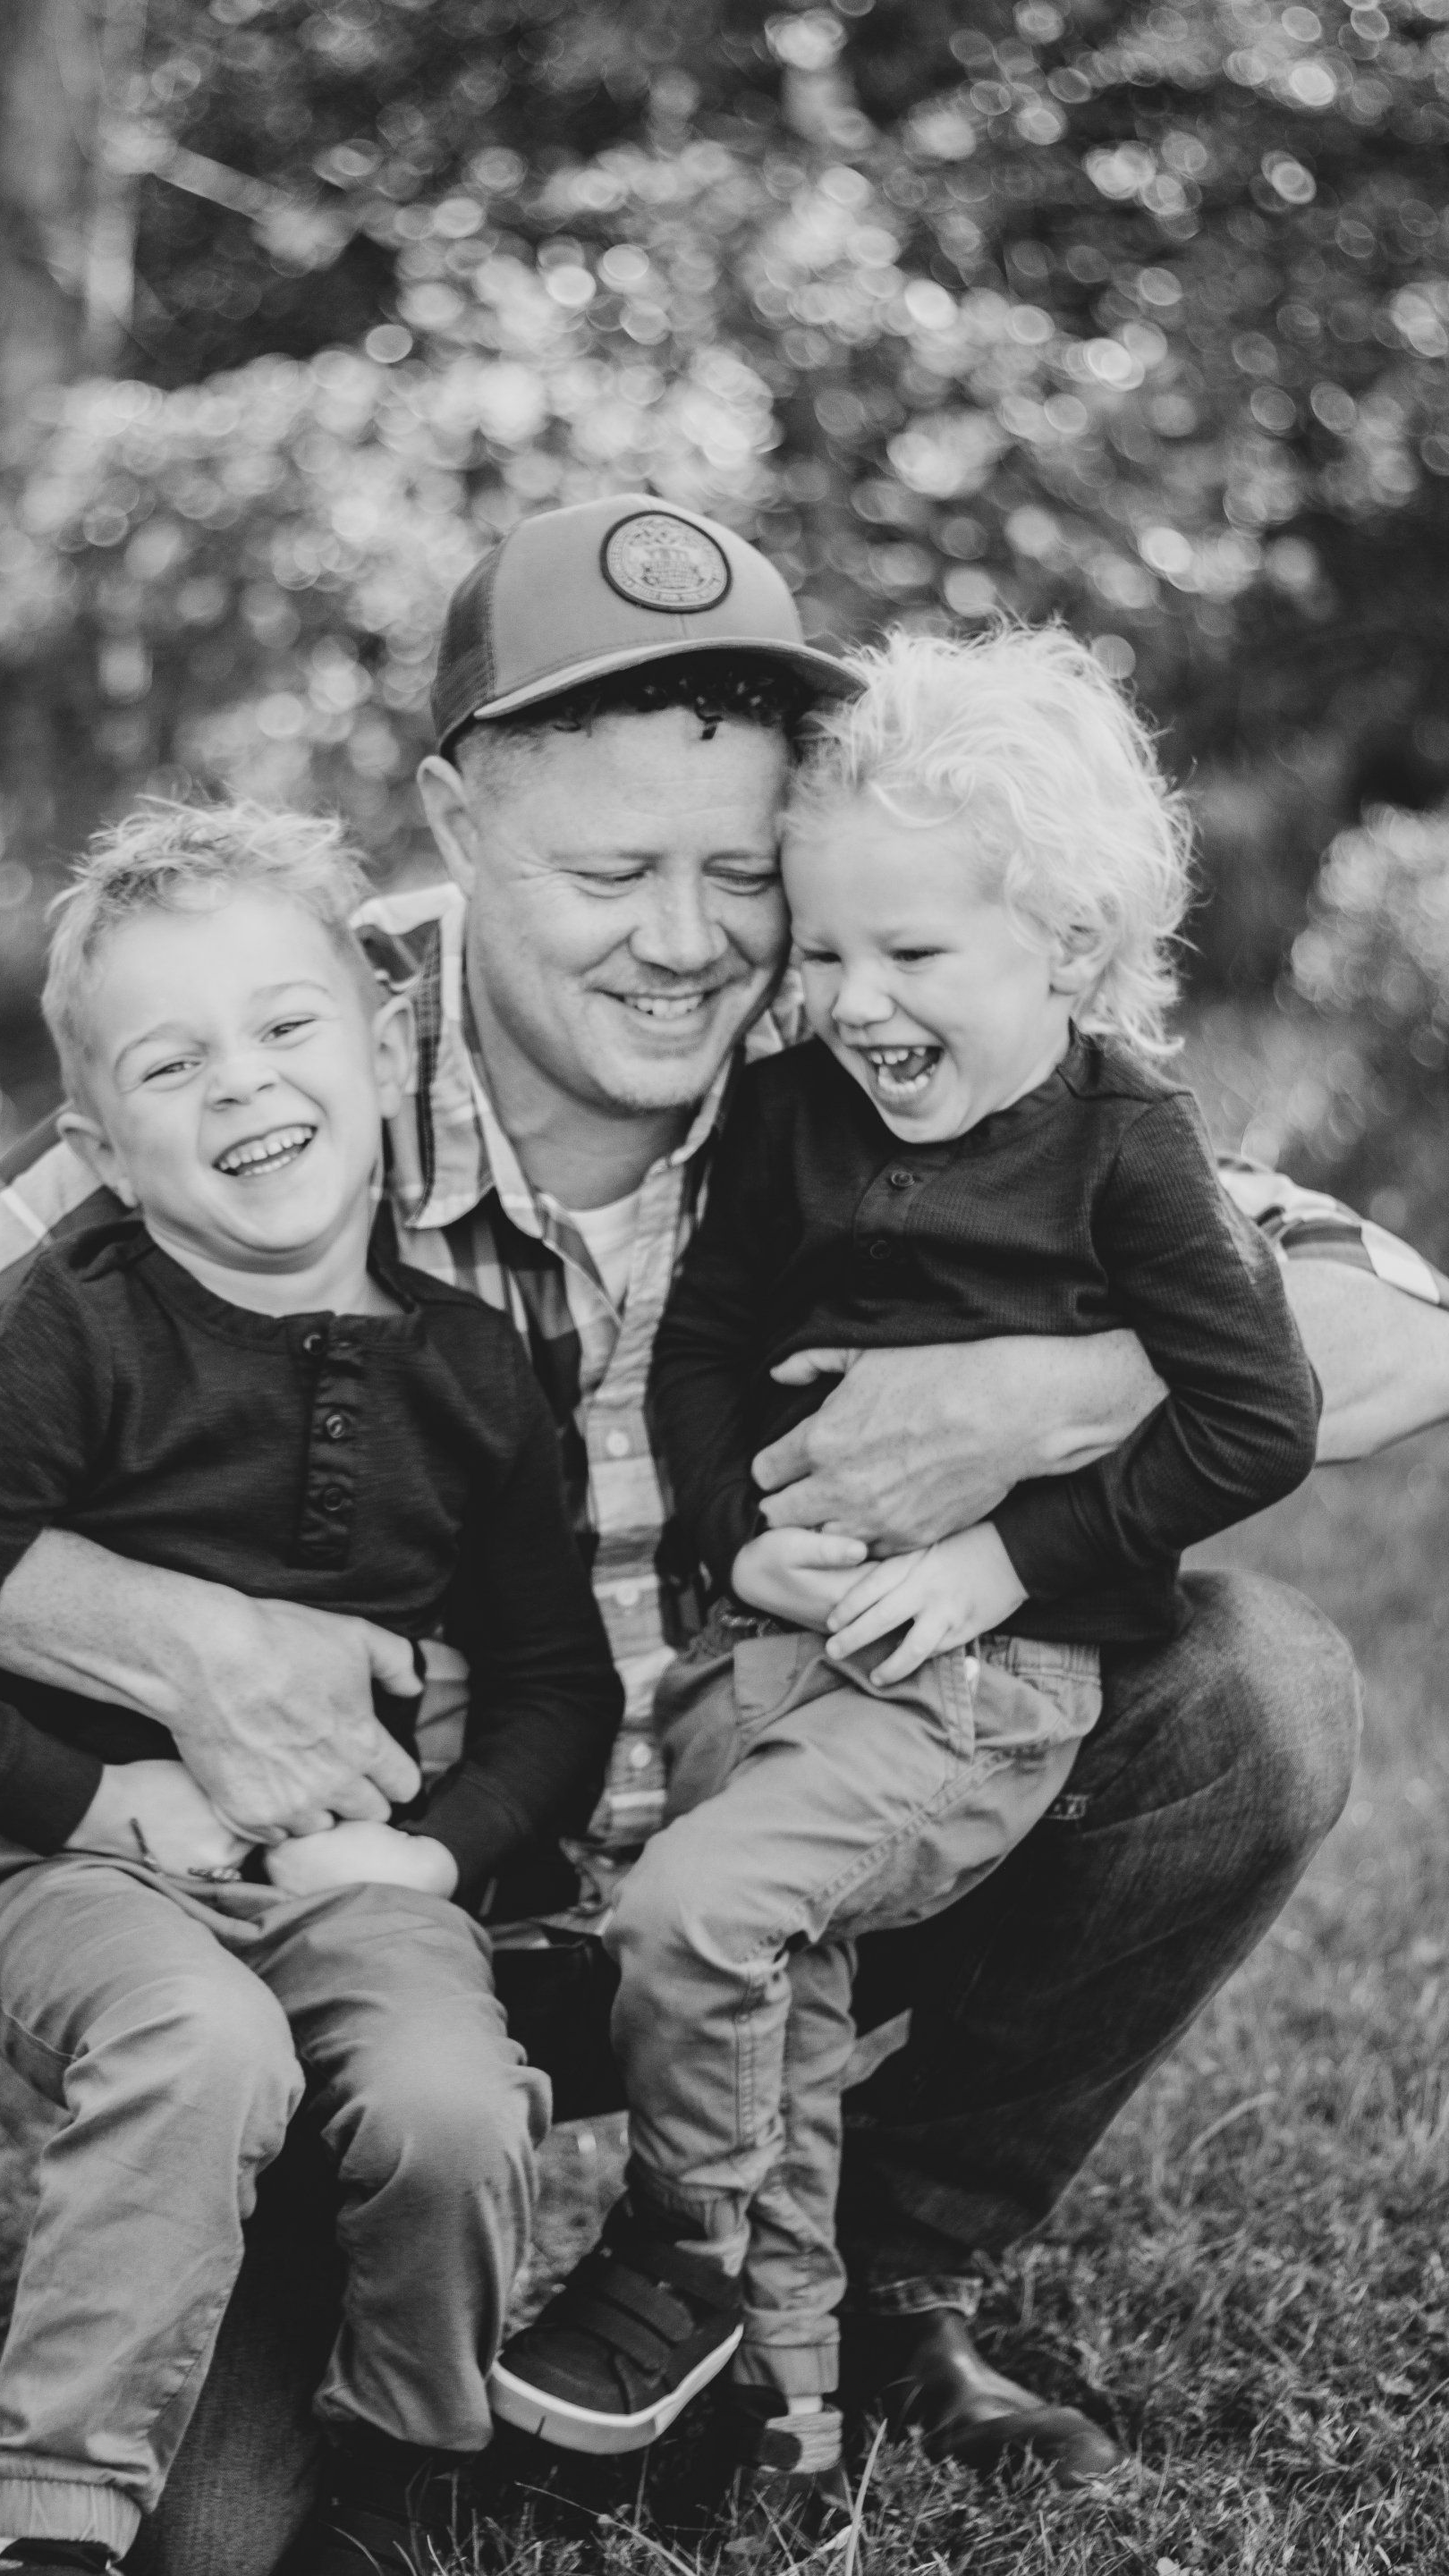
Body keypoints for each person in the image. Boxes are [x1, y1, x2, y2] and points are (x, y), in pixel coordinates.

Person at [0, 495, 1440, 2572]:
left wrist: (1068, 1389)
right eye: (610, 872)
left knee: (1251, 1688)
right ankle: (349, 2272)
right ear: (458, 828)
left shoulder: (864, 1030)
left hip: (768, 1854)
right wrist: (168, 1640)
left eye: (737, 871)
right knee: (226, 2534)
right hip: (394, 1921)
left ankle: (857, 2286)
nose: (689, 939)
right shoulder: (288, 1054)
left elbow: (1391, 1312)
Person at [0, 807, 621, 2576]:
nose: (241, 1084)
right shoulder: (68, 1338)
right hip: (70, 1871)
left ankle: (411, 2459)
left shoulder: (470, 1366)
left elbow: (553, 1686)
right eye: (173, 1060)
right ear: (103, 1148)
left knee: (453, 2102)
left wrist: (436, 1859)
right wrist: (93, 1802)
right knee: (201, 2049)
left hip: (347, 1877)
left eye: (287, 1028)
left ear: (381, 1049)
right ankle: (52, 2521)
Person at [488, 625, 1322, 2491]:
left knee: (709, 1919)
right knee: (773, 2021)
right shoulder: (790, 1112)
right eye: (830, 948)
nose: (857, 1000)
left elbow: (1256, 1413)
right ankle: (777, 2415)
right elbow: (702, 1349)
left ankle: (672, 2260)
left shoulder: (1129, 1146)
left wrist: (1011, 1555)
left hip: (965, 1675)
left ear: (1076, 946)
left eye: (915, 954)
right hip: (769, 1649)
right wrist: (737, 1541)